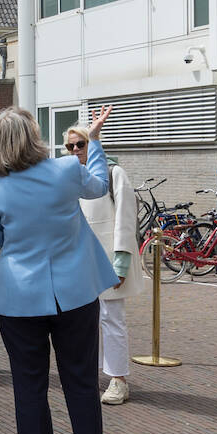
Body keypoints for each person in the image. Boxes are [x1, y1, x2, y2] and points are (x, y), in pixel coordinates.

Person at [0, 105, 118, 434]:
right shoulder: (65, 169)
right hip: (74, 290)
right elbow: (98, 185)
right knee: (81, 379)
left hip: (20, 296)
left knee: (29, 382)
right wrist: (95, 140)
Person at [72, 129, 137, 406]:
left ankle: (118, 379)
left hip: (107, 261)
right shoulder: (72, 177)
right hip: (79, 263)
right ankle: (93, 373)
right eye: (69, 145)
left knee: (112, 319)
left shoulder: (114, 174)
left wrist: (120, 263)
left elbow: (125, 218)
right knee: (84, 321)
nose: (75, 149)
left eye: (80, 144)